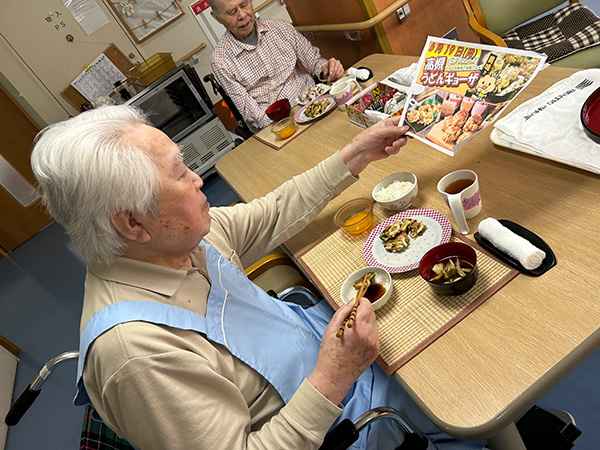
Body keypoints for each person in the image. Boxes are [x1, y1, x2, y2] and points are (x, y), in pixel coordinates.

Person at [30, 105, 481, 450]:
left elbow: (273, 213)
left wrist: (355, 155)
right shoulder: (136, 356)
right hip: (342, 422)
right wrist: (333, 376)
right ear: (132, 223)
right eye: (180, 174)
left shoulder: (172, 243)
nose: (199, 180)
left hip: (336, 365)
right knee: (466, 391)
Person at [209, 0, 345, 133]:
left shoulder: (280, 27)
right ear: (217, 18)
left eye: (244, 5)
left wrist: (327, 69)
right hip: (276, 126)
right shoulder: (221, 60)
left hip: (312, 103)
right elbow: (253, 115)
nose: (243, 15)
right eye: (232, 12)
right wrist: (291, 123)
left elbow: (315, 62)